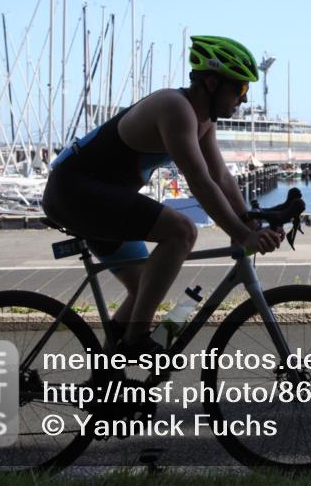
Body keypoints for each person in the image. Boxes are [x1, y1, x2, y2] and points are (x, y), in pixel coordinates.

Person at [42, 35, 283, 357]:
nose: (243, 99)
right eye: (239, 89)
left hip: (100, 197)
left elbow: (221, 177)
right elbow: (199, 181)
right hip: (74, 191)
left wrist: (249, 226)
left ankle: (107, 382)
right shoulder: (174, 107)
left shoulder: (203, 121)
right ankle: (136, 337)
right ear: (211, 83)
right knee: (182, 231)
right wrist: (242, 234)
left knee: (145, 287)